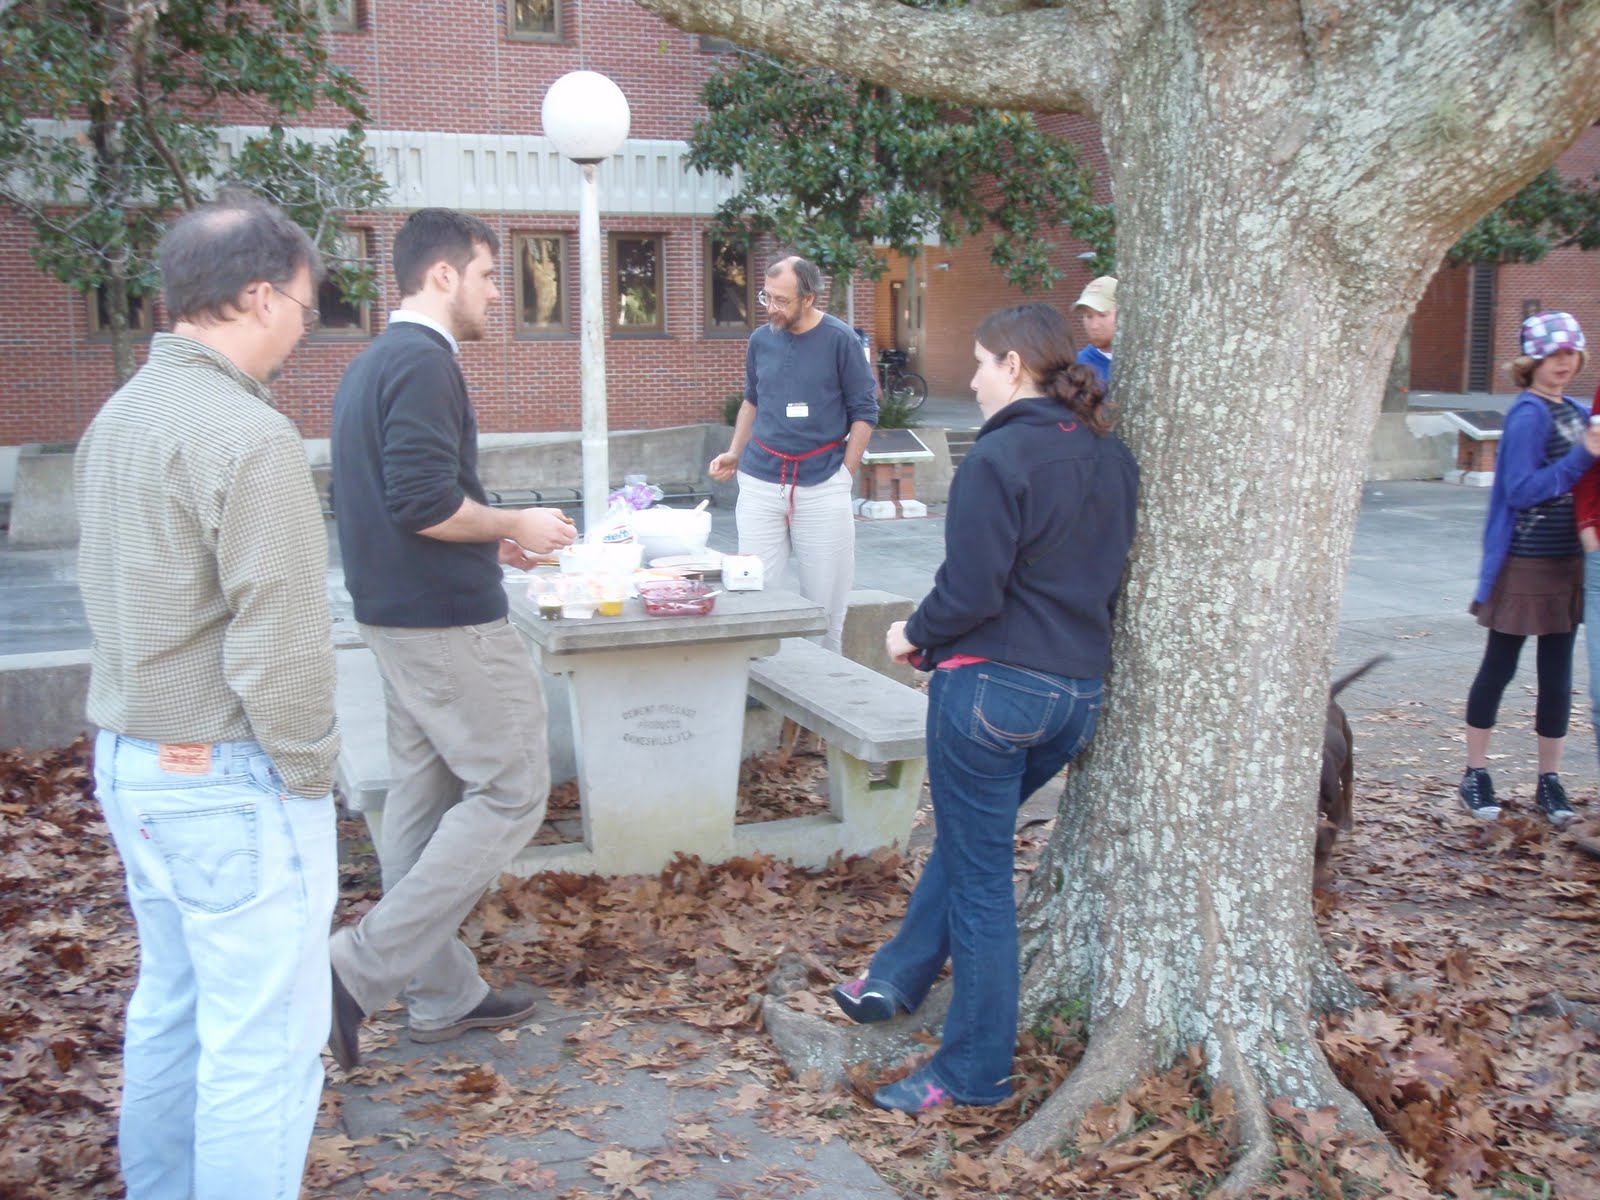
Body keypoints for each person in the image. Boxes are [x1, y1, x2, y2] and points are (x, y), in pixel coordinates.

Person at [75, 192, 339, 1199]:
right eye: (304, 308)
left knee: (175, 1008)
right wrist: (310, 773)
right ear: (260, 296)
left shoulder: (119, 417)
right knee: (262, 1047)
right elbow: (282, 641)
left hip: (133, 762)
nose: (303, 330)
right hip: (227, 773)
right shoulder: (248, 435)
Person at [829, 303, 1138, 1112]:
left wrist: (912, 636)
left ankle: (973, 1073)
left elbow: (970, 591)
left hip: (993, 693)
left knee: (981, 885)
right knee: (974, 845)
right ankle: (896, 977)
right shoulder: (1111, 457)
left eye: (977, 363)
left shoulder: (998, 457)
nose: (969, 380)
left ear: (1013, 365)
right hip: (1076, 696)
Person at [326, 208, 577, 1069]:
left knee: (423, 806)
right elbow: (424, 501)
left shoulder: (373, 362)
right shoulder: (424, 363)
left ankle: (439, 994)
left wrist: (488, 542)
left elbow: (401, 500)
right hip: (445, 624)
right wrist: (517, 522)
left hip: (396, 617)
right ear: (442, 275)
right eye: (488, 275)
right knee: (513, 790)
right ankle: (352, 972)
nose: (498, 294)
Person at [1462, 311, 1598, 826]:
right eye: (1553, 355)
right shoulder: (1527, 414)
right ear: (1532, 362)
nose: (1564, 363)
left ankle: (1550, 781)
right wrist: (1582, 457)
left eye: (1571, 353)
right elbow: (1520, 490)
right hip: (1525, 562)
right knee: (1499, 666)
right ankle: (1475, 773)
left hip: (1568, 562)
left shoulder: (1578, 411)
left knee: (1557, 677)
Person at [707, 255, 878, 652]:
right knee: (755, 591)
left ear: (809, 298)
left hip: (823, 483)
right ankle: (761, 676)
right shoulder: (760, 340)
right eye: (766, 297)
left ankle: (823, 683)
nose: (771, 307)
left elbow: (865, 412)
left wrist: (845, 475)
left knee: (824, 603)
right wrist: (734, 452)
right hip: (761, 479)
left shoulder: (841, 340)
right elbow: (752, 399)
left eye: (781, 300)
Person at [1072, 274, 1117, 387]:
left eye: (1102, 315)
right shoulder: (1075, 368)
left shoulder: (1146, 363)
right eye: (1088, 316)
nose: (1094, 326)